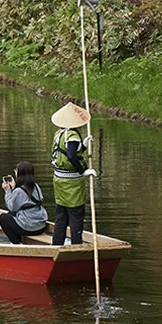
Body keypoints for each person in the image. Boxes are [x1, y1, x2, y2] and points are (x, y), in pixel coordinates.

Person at [49, 101, 97, 246]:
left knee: (61, 217)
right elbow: (70, 155)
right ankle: (76, 246)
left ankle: (56, 245)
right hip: (72, 183)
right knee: (76, 217)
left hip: (58, 180)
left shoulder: (60, 134)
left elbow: (68, 151)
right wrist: (83, 171)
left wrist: (83, 146)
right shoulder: (72, 135)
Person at [0, 161, 49, 244]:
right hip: (41, 226)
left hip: (28, 228)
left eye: (16, 171)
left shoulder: (19, 191)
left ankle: (16, 243)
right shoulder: (36, 186)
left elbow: (11, 206)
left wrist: (8, 191)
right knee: (10, 214)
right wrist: (15, 188)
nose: (15, 172)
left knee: (3, 218)